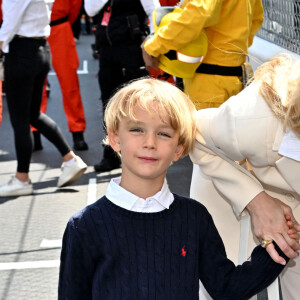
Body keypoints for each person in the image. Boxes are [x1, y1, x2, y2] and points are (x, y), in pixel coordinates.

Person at [58, 78, 293, 300]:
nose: (149, 142)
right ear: (115, 138)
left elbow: (227, 288)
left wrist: (280, 247)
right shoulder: (85, 226)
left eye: (163, 133)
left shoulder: (193, 218)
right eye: (137, 129)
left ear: (179, 149)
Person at [189, 55, 300, 300]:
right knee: (225, 288)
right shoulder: (256, 118)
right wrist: (256, 201)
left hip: (293, 195)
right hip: (228, 178)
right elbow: (195, 133)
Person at [0, 0, 87, 197]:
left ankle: (22, 178)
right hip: (41, 48)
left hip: (21, 51)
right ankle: (70, 159)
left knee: (20, 119)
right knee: (33, 114)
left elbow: (9, 25)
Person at [142, 0, 264, 110]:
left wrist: (153, 47)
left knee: (201, 133)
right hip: (234, 78)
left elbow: (198, 13)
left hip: (206, 84)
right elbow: (256, 19)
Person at [85, 0, 160, 173]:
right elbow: (90, 10)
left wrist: (153, 39)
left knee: (138, 104)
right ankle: (110, 154)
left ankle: (143, 152)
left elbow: (154, 10)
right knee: (108, 103)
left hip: (132, 48)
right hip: (107, 50)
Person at [48, 0, 88, 151]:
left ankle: (77, 131)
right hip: (35, 31)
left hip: (59, 29)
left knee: (70, 83)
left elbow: (75, 4)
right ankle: (34, 131)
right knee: (34, 86)